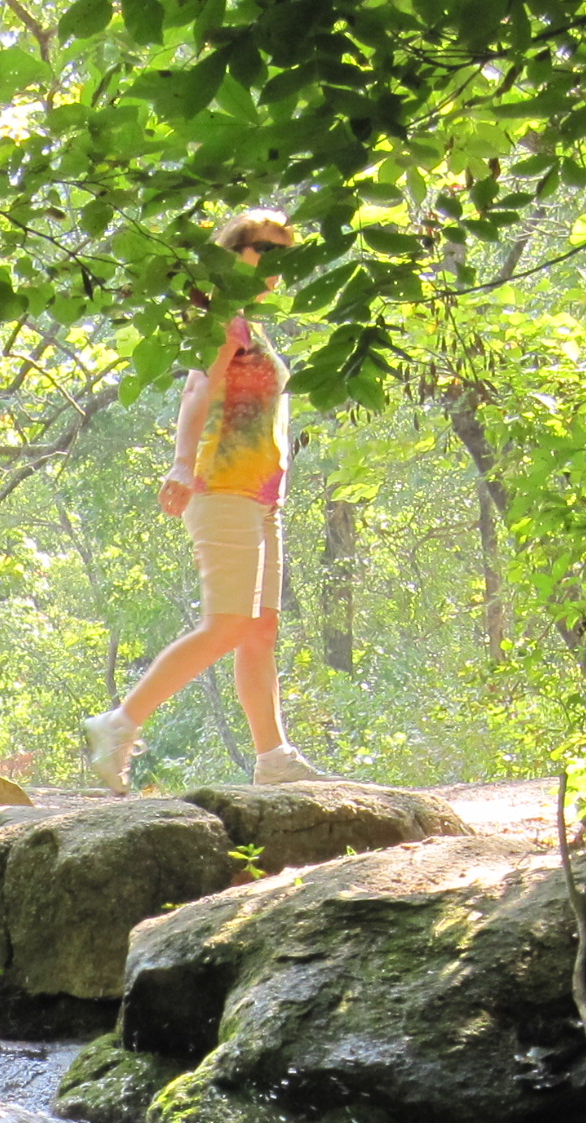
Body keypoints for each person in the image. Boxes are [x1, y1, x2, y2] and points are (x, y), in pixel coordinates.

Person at [82, 212, 335, 791]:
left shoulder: (255, 326)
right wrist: (180, 465)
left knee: (260, 630)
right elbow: (198, 389)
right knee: (226, 624)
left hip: (262, 498)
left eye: (284, 254)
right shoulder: (223, 319)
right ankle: (118, 726)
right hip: (222, 488)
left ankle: (273, 759)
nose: (274, 265)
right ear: (233, 252)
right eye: (264, 250)